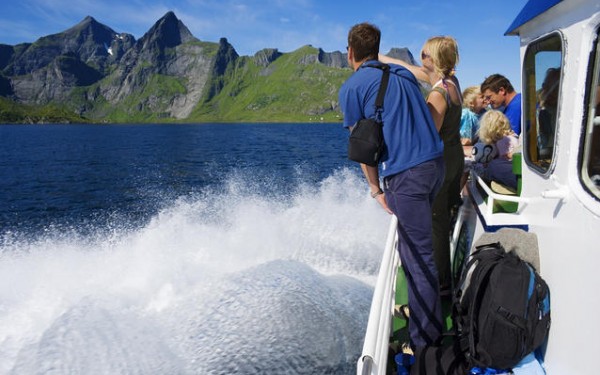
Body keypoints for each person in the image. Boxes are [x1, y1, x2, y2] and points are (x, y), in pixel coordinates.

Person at [339, 22, 445, 350]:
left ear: (350, 52)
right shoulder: (402, 76)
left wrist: (375, 190)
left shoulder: (353, 87)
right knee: (415, 250)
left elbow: (362, 145)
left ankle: (426, 343)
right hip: (435, 167)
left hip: (408, 176)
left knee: (418, 257)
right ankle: (423, 315)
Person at [380, 36, 463, 295]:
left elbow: (428, 134)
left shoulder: (438, 94)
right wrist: (380, 58)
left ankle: (441, 285)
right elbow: (411, 69)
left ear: (435, 59)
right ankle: (444, 275)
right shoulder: (450, 83)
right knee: (442, 219)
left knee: (436, 222)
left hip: (443, 160)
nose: (420, 57)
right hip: (455, 156)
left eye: (424, 54)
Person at [474, 110, 520, 190]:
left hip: (508, 167)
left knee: (482, 167)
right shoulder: (514, 136)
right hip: (514, 167)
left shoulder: (502, 141)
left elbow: (503, 158)